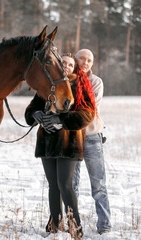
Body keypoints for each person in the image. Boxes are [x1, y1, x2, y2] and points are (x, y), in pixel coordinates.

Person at [25, 53, 96, 238]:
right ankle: (54, 224)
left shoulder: (80, 84)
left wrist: (60, 119)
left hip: (69, 143)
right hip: (47, 142)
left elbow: (87, 114)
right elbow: (31, 109)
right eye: (62, 62)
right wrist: (36, 115)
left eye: (70, 64)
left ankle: (76, 228)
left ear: (74, 68)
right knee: (53, 185)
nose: (65, 66)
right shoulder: (49, 83)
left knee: (65, 185)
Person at [73, 49, 112, 235]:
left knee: (99, 185)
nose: (85, 62)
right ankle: (73, 224)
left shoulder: (96, 82)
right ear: (75, 59)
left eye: (89, 60)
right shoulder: (65, 79)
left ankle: (104, 226)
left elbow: (88, 107)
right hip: (71, 137)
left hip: (92, 137)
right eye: (82, 58)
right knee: (71, 186)